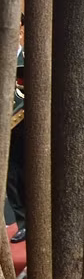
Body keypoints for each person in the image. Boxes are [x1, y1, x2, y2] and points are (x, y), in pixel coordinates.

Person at [7, 60, 26, 243]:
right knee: (11, 185)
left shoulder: (24, 97)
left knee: (25, 185)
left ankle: (28, 223)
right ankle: (23, 223)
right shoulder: (14, 95)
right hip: (10, 149)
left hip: (27, 147)